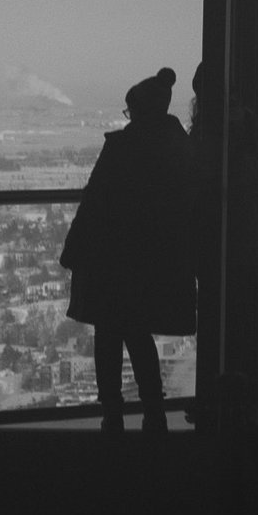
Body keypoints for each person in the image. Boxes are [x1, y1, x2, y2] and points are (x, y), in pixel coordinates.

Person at [60, 67, 196, 435]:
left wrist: (72, 250)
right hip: (155, 262)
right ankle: (154, 412)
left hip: (111, 260)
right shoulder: (180, 148)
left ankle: (113, 413)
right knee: (139, 335)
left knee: (108, 335)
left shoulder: (121, 147)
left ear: (137, 111)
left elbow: (94, 200)